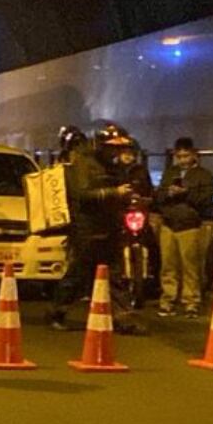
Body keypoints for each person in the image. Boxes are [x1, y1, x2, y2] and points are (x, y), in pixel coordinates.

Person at [46, 127, 145, 334]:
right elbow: (83, 195)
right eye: (112, 148)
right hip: (88, 229)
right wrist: (114, 193)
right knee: (78, 275)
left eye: (121, 148)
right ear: (101, 146)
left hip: (110, 227)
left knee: (116, 276)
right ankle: (58, 312)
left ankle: (124, 319)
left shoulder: (116, 167)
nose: (116, 153)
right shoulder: (84, 164)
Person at [156, 137, 213, 318]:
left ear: (194, 154)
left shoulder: (203, 175)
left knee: (190, 266)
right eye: (179, 156)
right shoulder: (170, 173)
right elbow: (158, 196)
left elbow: (206, 200)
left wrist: (186, 193)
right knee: (168, 265)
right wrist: (168, 193)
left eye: (186, 156)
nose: (182, 159)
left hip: (189, 225)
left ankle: (191, 302)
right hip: (169, 224)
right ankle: (168, 300)